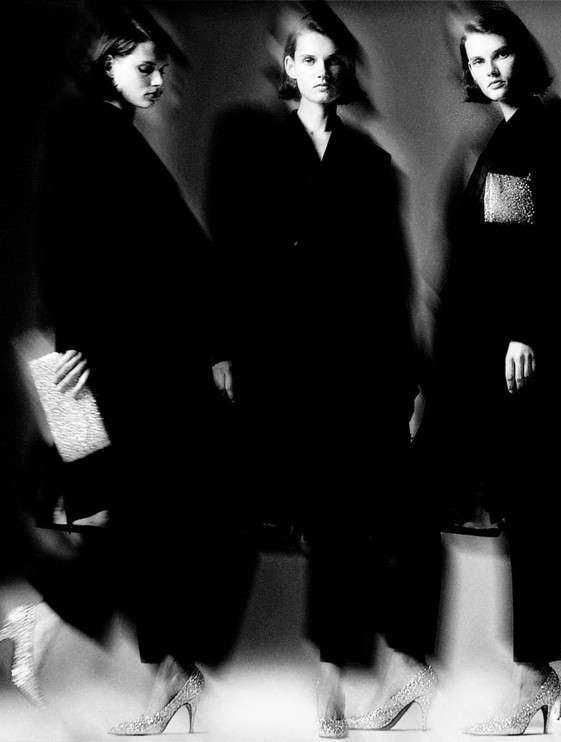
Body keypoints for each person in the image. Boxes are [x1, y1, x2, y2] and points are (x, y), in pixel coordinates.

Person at [215, 12, 438, 738]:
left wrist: (406, 375)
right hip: (278, 363)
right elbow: (233, 255)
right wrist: (225, 350)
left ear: (347, 70)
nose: (323, 71)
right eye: (309, 59)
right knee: (261, 515)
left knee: (349, 529)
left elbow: (394, 274)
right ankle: (189, 668)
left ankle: (336, 687)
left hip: (357, 366)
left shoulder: (370, 159)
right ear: (288, 67)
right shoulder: (254, 146)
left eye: (334, 59)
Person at [29, 13, 254, 734]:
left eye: (162, 69)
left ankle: (170, 673)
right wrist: (72, 343)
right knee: (145, 516)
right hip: (109, 362)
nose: (160, 82)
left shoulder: (112, 133)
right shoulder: (83, 130)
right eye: (146, 68)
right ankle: (128, 652)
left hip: (137, 358)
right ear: (106, 64)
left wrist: (215, 344)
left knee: (165, 517)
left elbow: (175, 252)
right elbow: (60, 242)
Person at [412, 4, 561, 735]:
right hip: (474, 352)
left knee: (530, 512)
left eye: (500, 55)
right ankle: (548, 667)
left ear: (524, 53)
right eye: (476, 60)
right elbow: (480, 249)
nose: (488, 70)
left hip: (516, 353)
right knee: (506, 509)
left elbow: (551, 247)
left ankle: (534, 675)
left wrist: (526, 329)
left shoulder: (541, 134)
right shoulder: (499, 135)